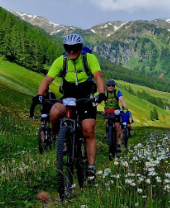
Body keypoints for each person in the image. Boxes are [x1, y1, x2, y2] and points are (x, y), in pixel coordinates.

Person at [35, 33, 105, 179]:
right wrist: (40, 95)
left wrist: (102, 93)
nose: (71, 51)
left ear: (80, 48)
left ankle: (91, 168)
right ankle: (61, 139)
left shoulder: (89, 58)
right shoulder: (62, 60)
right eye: (68, 48)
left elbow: (98, 76)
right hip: (68, 98)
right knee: (54, 112)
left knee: (88, 130)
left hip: (86, 99)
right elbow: (47, 79)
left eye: (75, 48)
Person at [102, 79, 128, 153]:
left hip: (116, 111)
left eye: (112, 85)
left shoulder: (117, 92)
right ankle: (106, 131)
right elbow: (99, 100)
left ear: (114, 86)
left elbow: (121, 100)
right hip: (107, 111)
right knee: (106, 121)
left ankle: (118, 145)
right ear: (107, 86)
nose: (110, 87)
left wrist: (125, 108)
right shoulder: (105, 93)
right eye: (109, 85)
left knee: (117, 127)